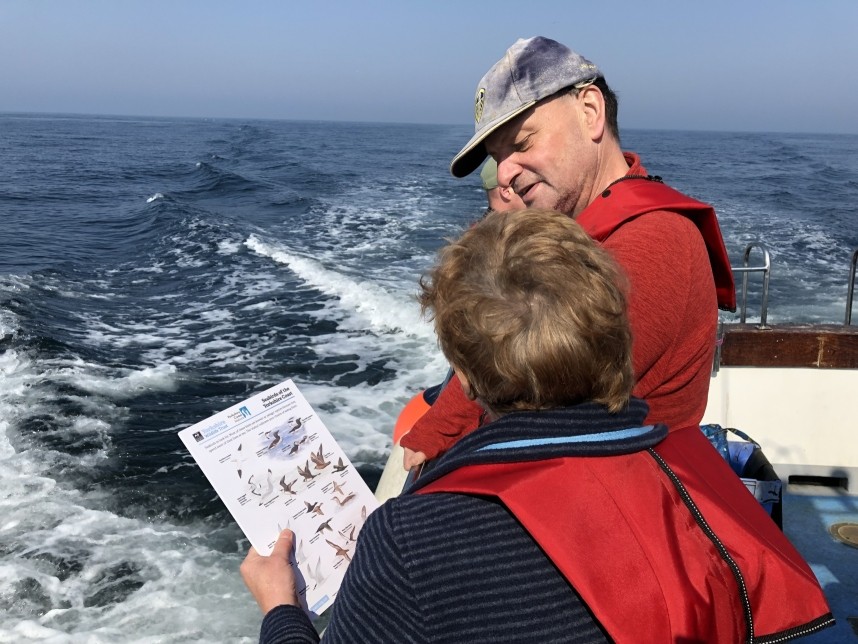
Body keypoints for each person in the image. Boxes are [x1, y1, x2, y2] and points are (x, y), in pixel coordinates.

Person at [241, 209, 832, 643]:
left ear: (465, 382)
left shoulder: (410, 540)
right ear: (617, 343)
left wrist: (281, 610)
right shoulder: (704, 492)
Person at [401, 36, 737, 469]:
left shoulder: (654, 241)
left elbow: (532, 396)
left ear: (590, 112)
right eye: (497, 156)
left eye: (520, 144)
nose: (503, 174)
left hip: (624, 497)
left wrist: (438, 429)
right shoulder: (577, 227)